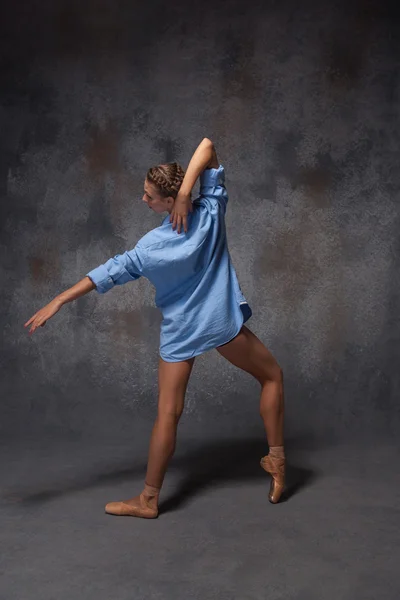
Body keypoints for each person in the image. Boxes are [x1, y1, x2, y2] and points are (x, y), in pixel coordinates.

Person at [24, 137, 286, 518]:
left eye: (149, 196)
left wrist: (60, 299)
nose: (143, 200)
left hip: (182, 331)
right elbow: (208, 146)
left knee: (168, 413)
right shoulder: (211, 210)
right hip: (218, 323)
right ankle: (277, 462)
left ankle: (148, 499)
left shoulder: (150, 247)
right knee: (273, 377)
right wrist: (187, 195)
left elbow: (107, 273)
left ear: (167, 201)